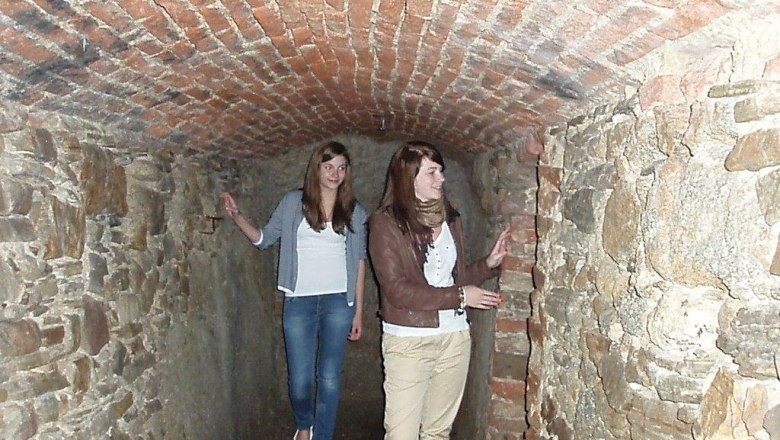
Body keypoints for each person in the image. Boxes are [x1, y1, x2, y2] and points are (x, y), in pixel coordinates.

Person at [220, 141, 367, 440]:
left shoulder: (354, 211)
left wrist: (359, 312)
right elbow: (263, 239)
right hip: (299, 301)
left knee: (328, 377)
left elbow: (360, 261)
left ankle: (321, 436)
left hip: (339, 302)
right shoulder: (293, 203)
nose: (334, 174)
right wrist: (237, 217)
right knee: (299, 379)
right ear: (317, 168)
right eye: (328, 167)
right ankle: (304, 424)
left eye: (340, 168)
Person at [368, 141, 510, 440]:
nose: (441, 179)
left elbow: (452, 278)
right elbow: (397, 290)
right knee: (401, 434)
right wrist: (461, 296)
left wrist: (487, 264)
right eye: (432, 172)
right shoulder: (385, 224)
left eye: (441, 171)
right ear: (409, 177)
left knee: (437, 433)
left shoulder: (451, 217)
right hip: (408, 341)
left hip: (454, 338)